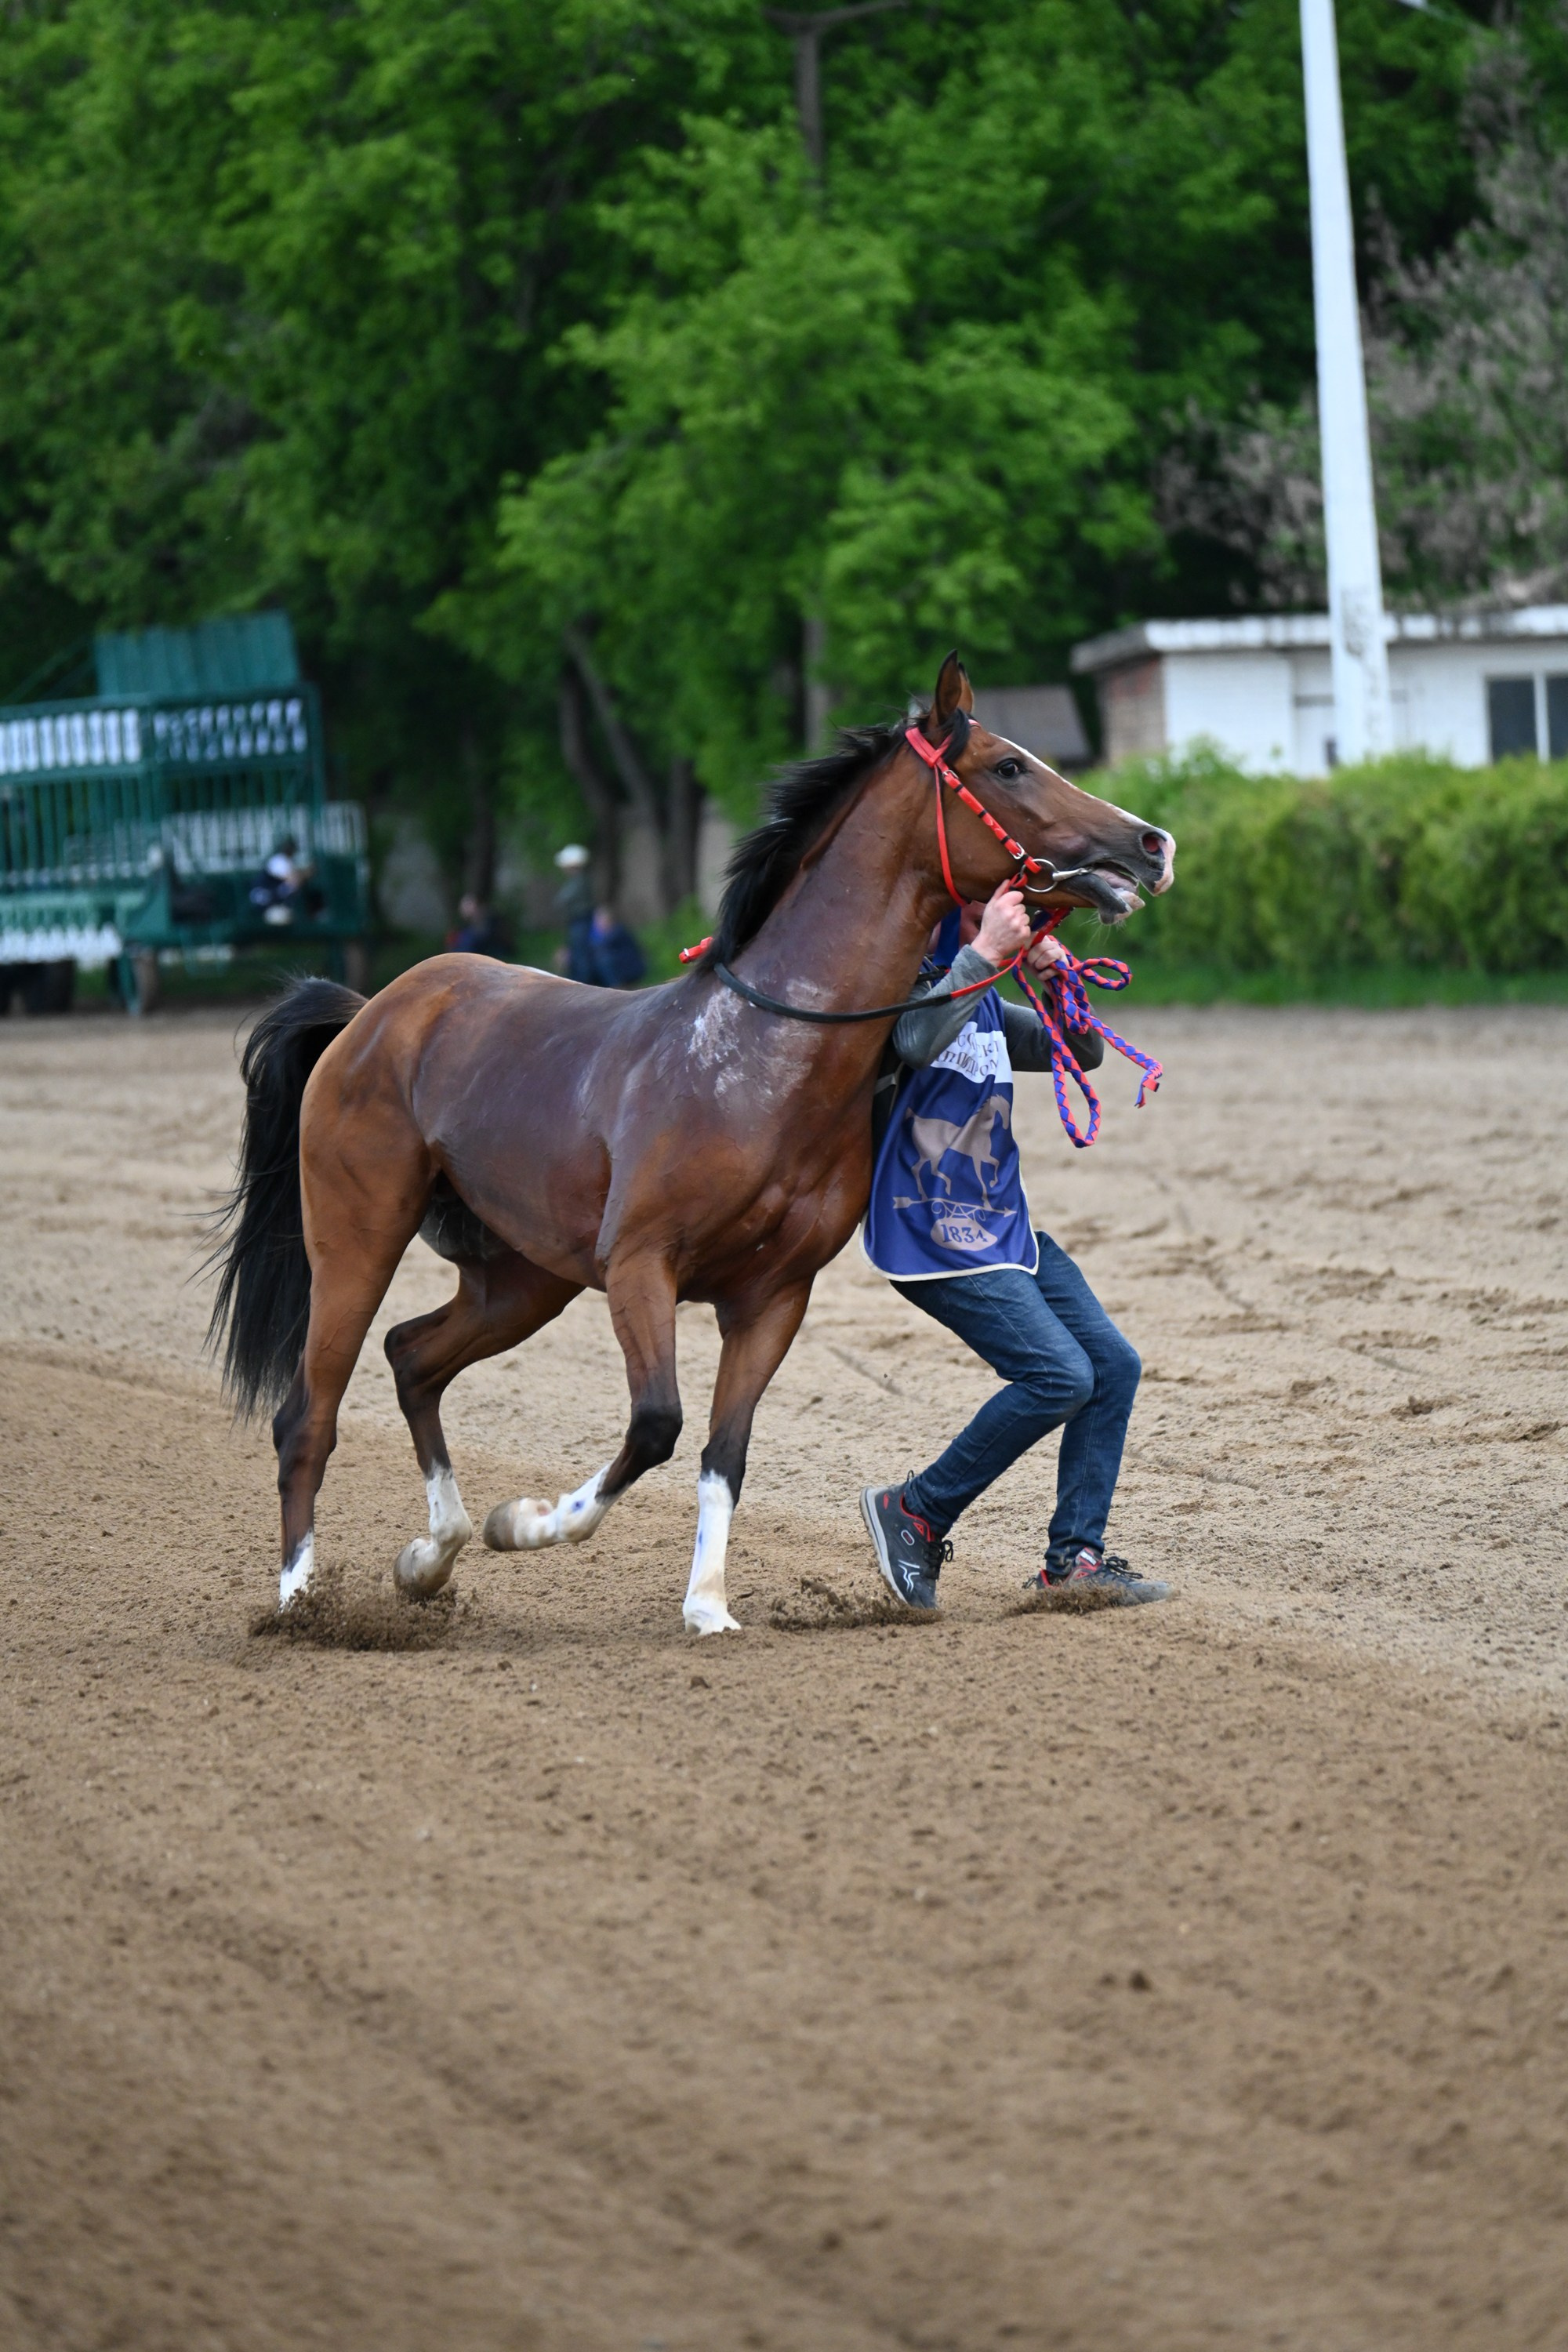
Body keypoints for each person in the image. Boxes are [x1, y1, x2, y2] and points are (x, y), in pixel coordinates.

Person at [859, 879, 1167, 1612]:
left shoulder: (990, 1006)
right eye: (982, 912)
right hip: (927, 1230)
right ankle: (917, 1511)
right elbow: (913, 1042)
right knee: (1060, 1377)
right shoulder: (903, 993)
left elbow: (1083, 1051)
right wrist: (984, 951)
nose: (1005, 921)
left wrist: (1055, 975)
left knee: (1112, 1366)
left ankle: (1075, 1559)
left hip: (1004, 1228)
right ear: (947, 923)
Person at [555, 844, 597, 982]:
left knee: (581, 956)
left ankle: (583, 984)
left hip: (581, 922)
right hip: (577, 922)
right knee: (577, 954)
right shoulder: (577, 880)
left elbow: (562, 899)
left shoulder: (579, 881)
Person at [586, 903, 647, 989]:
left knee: (604, 961)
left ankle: (617, 987)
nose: (599, 923)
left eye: (602, 920)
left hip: (627, 967)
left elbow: (602, 945)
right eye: (597, 921)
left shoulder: (618, 931)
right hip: (617, 968)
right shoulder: (597, 935)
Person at [448, 894, 511, 960]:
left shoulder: (490, 922)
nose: (465, 909)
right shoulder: (461, 928)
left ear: (477, 906)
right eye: (464, 906)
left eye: (469, 905)